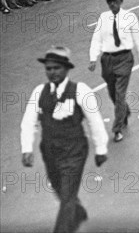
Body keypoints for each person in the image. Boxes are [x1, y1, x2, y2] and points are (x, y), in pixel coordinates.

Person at [21, 47, 108, 233]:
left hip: (74, 151)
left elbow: (95, 120)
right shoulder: (39, 91)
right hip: (50, 151)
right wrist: (26, 148)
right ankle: (78, 211)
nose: (52, 72)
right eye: (48, 68)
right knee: (60, 190)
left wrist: (101, 148)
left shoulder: (80, 90)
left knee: (67, 196)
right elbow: (28, 121)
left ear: (66, 69)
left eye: (56, 68)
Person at [89, 0, 139, 142]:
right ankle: (125, 111)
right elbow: (96, 39)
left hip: (124, 59)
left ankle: (117, 128)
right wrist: (93, 58)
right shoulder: (103, 18)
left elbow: (138, 39)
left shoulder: (130, 17)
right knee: (112, 93)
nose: (112, 4)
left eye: (115, 1)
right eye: (109, 2)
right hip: (107, 60)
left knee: (120, 94)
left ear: (121, 1)